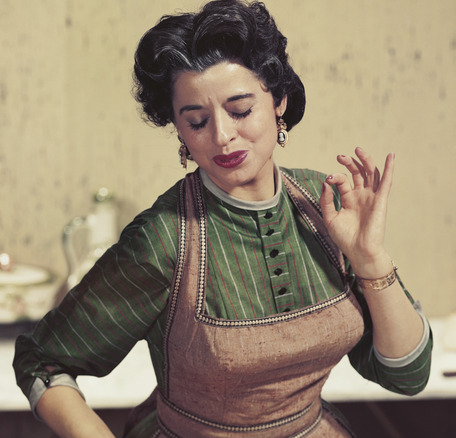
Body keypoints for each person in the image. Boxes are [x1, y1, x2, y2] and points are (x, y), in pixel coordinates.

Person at [13, 1, 433, 436]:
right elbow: (42, 361)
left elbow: (406, 376)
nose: (222, 135)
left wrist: (369, 259)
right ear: (179, 131)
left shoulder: (325, 205)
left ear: (279, 102)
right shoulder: (163, 238)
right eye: (196, 121)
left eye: (240, 110)